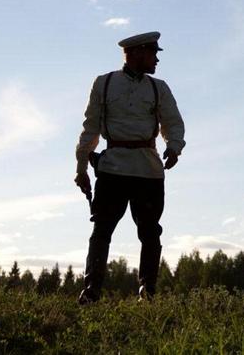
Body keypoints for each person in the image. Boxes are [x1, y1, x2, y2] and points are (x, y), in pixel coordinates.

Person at [74, 31, 185, 304]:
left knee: (150, 233)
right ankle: (91, 293)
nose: (156, 59)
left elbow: (173, 123)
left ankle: (147, 294)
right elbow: (90, 129)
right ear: (136, 53)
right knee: (102, 230)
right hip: (112, 170)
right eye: (153, 53)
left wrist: (174, 147)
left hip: (148, 171)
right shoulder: (104, 83)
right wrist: (81, 167)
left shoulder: (160, 88)